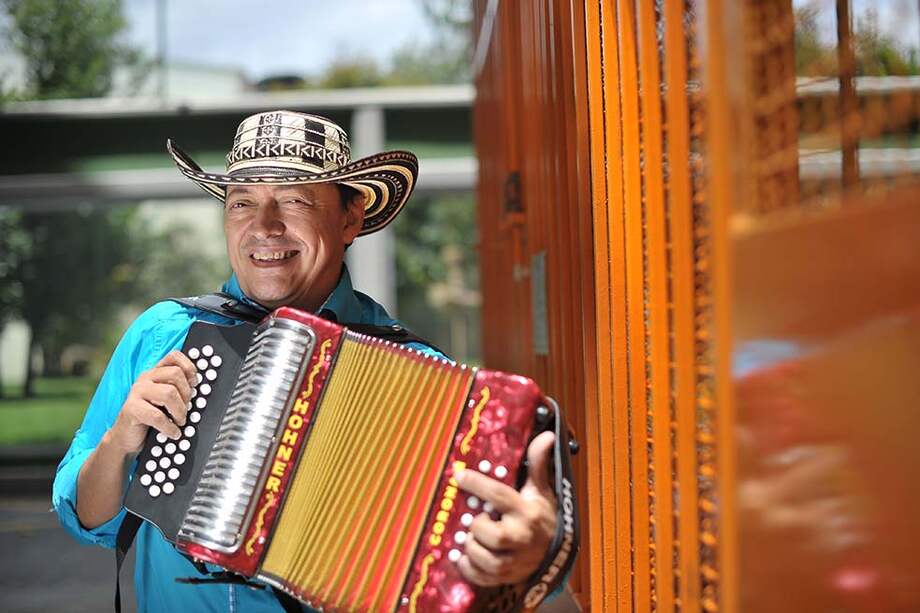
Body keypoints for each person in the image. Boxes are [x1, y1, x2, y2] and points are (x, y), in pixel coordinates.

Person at [52, 110, 561, 612]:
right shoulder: (164, 332)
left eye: (294, 199)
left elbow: (489, 562)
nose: (263, 226)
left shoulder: (419, 373)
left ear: (350, 218)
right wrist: (119, 441)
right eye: (242, 202)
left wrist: (529, 553)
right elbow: (87, 518)